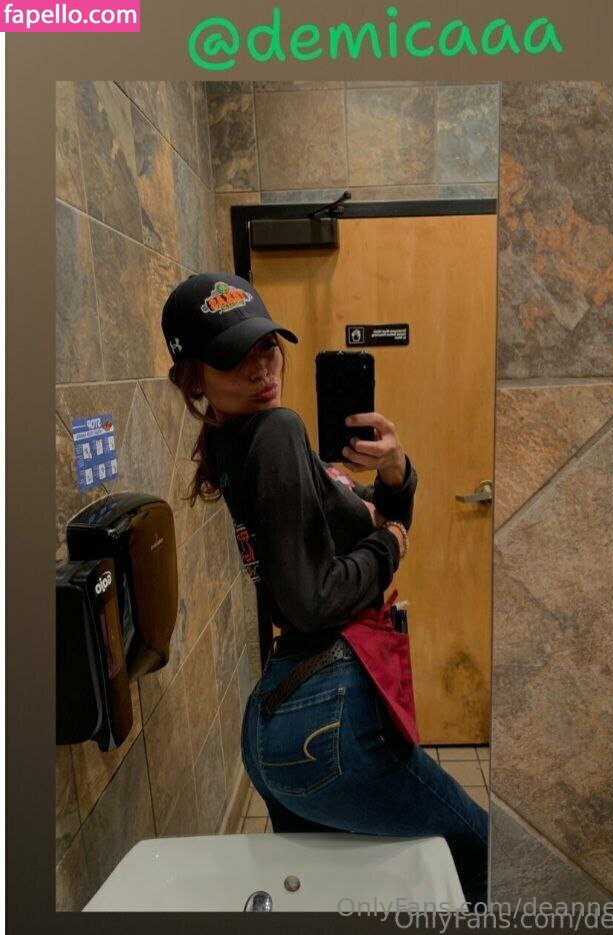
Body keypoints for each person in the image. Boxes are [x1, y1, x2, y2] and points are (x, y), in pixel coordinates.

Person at [161, 272, 489, 912]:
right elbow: (312, 600)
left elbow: (375, 519)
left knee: (325, 899)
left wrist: (394, 470)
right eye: (233, 357)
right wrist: (389, 544)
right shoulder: (278, 430)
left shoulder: (244, 442)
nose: (261, 368)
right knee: (480, 855)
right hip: (325, 718)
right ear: (195, 377)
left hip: (279, 724)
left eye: (267, 346)